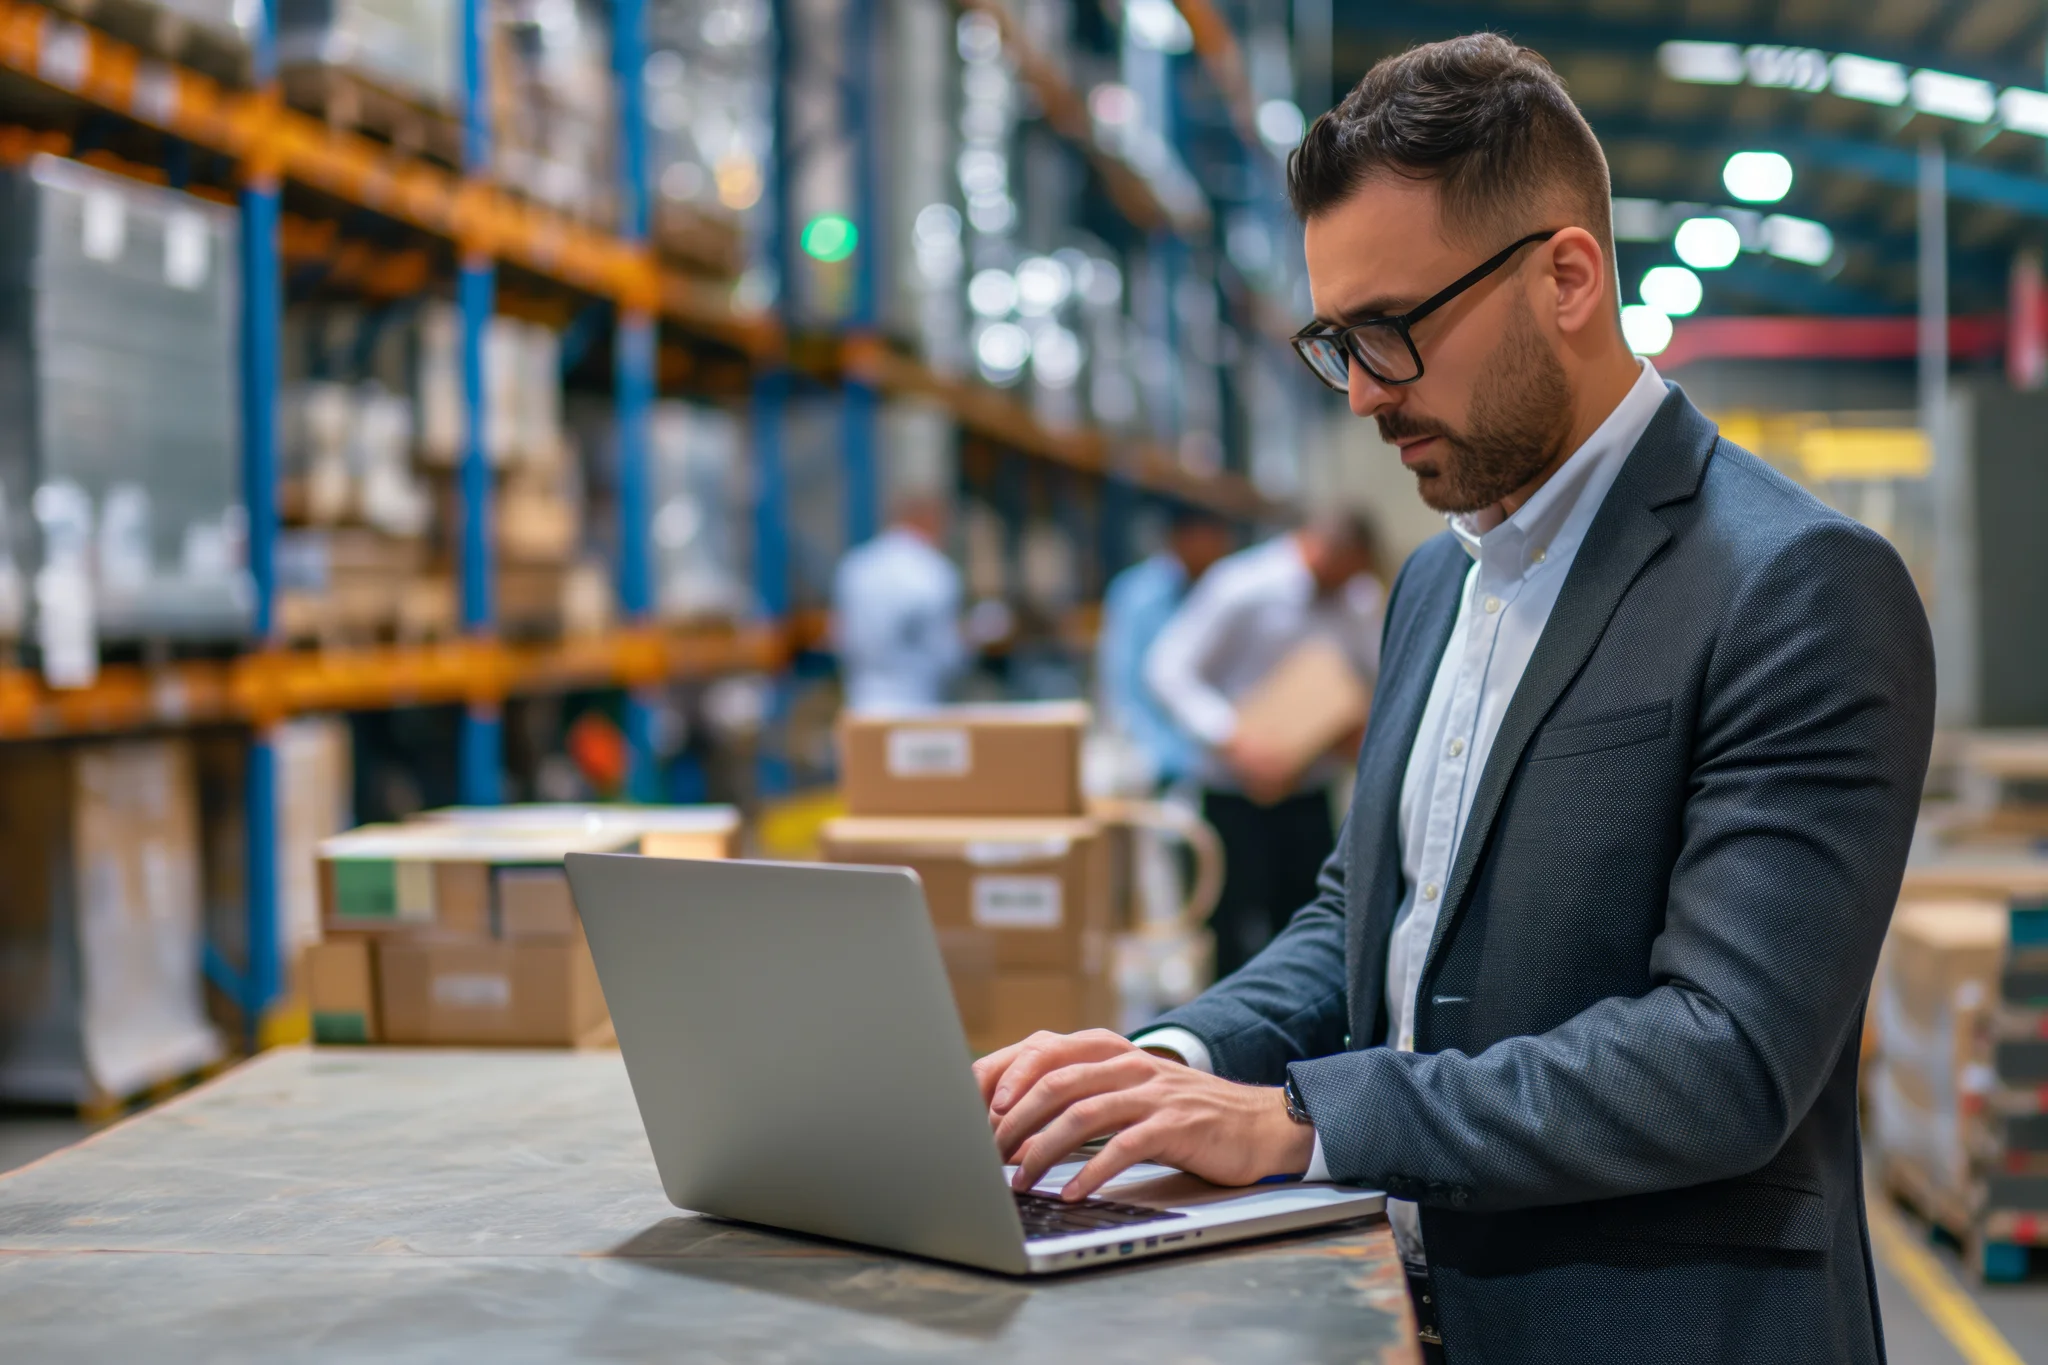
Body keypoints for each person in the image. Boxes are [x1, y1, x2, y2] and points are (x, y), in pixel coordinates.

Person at [973, 34, 1933, 1365]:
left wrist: (1307, 1121)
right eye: (1337, 340)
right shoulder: (1437, 580)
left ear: (1569, 280)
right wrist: (1178, 1064)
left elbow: (1725, 1057)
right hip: (1419, 1312)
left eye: (1394, 332)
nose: (1364, 392)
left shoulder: (1796, 586)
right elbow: (1369, 911)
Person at [1142, 511, 1382, 978]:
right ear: (1315, 546)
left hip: (1309, 795)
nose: (1343, 586)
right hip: (1235, 796)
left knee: (1309, 927)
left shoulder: (1357, 598)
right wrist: (1231, 737)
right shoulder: (1241, 586)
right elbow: (1168, 670)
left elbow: (1376, 674)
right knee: (1232, 933)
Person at [1093, 507, 1235, 789]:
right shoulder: (1139, 594)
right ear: (1178, 540)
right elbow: (1126, 681)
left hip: (1224, 758)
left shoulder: (1227, 587)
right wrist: (1164, 756)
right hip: (1160, 759)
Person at [830, 494, 966, 714]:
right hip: (918, 705)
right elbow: (947, 654)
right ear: (931, 520)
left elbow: (841, 637)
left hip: (861, 704)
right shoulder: (934, 571)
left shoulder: (855, 565)